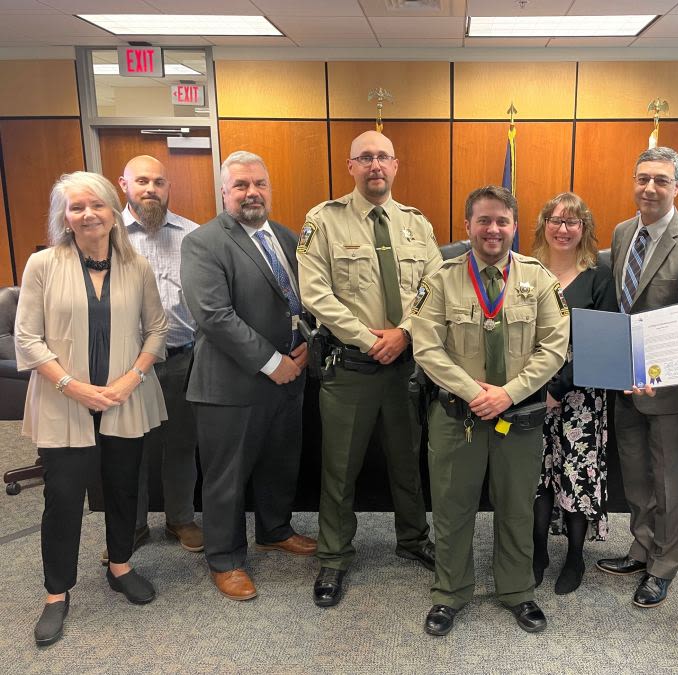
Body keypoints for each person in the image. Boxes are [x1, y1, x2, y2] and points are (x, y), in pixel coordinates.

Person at [16, 171, 168, 646]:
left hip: (125, 398)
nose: (88, 215)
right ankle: (56, 593)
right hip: (65, 401)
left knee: (123, 488)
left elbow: (157, 329)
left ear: (112, 211)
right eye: (76, 207)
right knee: (62, 499)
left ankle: (120, 564)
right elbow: (27, 337)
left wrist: (130, 378)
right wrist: (73, 386)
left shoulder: (137, 265)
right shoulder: (42, 265)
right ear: (64, 216)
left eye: (96, 205)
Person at [410, 185, 569, 636]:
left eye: (502, 221)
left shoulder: (539, 280)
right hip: (456, 417)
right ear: (467, 226)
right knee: (452, 507)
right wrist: (473, 392)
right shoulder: (440, 279)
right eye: (483, 220)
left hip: (517, 419)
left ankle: (517, 590)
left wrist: (509, 393)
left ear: (514, 226)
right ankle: (450, 592)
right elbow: (427, 348)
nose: (493, 229)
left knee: (517, 507)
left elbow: (553, 348)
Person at [298, 130, 441, 608]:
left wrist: (403, 333)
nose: (375, 165)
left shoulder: (416, 225)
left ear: (396, 165)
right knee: (339, 468)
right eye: (366, 158)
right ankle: (335, 557)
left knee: (407, 459)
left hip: (405, 367)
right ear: (351, 166)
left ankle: (414, 538)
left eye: (383, 157)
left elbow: (434, 288)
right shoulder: (324, 221)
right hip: (350, 368)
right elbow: (316, 294)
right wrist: (369, 339)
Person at [181, 151, 315, 602]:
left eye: (259, 183)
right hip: (231, 385)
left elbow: (303, 300)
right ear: (224, 192)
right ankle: (225, 559)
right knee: (227, 477)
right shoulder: (203, 242)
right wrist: (274, 362)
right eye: (241, 185)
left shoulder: (285, 236)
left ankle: (274, 530)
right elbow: (214, 316)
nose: (251, 192)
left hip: (289, 376)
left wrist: (306, 346)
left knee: (280, 462)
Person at [599, 146, 678, 608]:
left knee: (671, 480)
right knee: (635, 475)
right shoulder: (623, 231)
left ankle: (664, 567)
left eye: (661, 181)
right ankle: (641, 547)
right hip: (624, 384)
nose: (650, 188)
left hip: (664, 386)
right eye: (643, 178)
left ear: (677, 186)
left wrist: (650, 367)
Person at [114, 154, 202, 562]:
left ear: (168, 188)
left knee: (182, 444)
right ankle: (131, 526)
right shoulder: (107, 233)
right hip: (126, 365)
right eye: (142, 181)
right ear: (124, 185)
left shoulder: (192, 235)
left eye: (159, 182)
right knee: (130, 446)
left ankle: (180, 518)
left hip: (182, 358)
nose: (151, 189)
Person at [530, 192, 616, 595]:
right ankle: (537, 550)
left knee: (575, 476)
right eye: (556, 220)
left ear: (585, 229)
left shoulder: (599, 275)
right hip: (530, 390)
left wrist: (559, 388)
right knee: (536, 476)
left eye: (573, 222)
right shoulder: (527, 271)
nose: (563, 229)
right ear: (543, 225)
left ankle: (575, 555)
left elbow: (600, 343)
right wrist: (540, 388)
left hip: (581, 398)